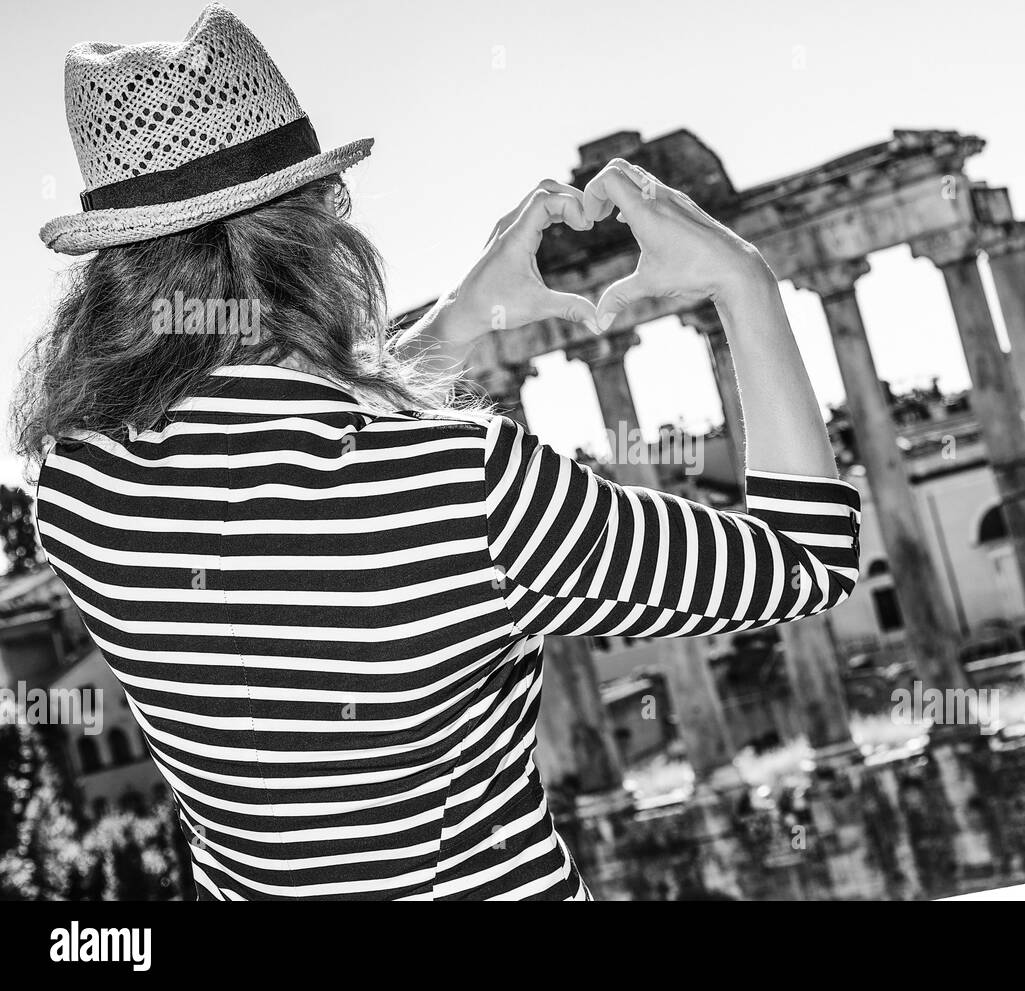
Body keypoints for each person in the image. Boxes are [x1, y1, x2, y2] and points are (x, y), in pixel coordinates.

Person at [15, 3, 861, 900]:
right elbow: (806, 561)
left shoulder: (81, 493)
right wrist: (744, 281)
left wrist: (461, 318)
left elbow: (292, 454)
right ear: (322, 227)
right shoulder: (474, 489)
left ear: (113, 268)